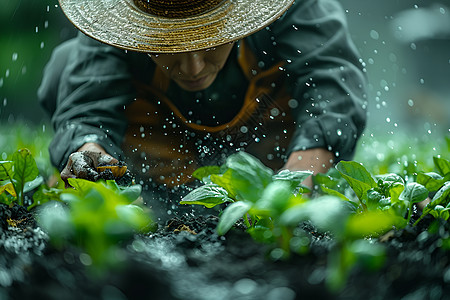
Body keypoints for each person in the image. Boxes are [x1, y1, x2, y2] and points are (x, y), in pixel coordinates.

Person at [39, 0, 367, 218]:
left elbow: (330, 82)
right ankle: (156, 189)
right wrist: (92, 169)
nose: (193, 67)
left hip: (267, 150)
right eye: (170, 45)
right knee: (65, 65)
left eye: (209, 41)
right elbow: (86, 112)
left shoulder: (292, 8)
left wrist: (298, 180)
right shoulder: (116, 22)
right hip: (161, 158)